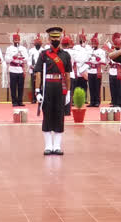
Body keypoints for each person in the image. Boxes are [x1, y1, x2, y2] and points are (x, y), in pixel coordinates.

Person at [34, 27, 72, 155]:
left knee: (59, 115)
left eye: (57, 37)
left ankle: (57, 146)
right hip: (48, 86)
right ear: (49, 39)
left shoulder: (66, 55)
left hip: (60, 87)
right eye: (53, 37)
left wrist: (69, 92)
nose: (55, 39)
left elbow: (67, 75)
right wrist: (37, 91)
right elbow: (38, 73)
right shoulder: (44, 54)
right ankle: (48, 146)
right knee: (47, 115)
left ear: (60, 38)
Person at [6, 32, 28, 106]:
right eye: (15, 40)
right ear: (13, 40)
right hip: (13, 69)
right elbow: (6, 59)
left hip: (20, 69)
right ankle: (14, 101)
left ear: (19, 40)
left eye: (18, 40)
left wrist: (22, 57)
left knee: (21, 86)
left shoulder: (23, 48)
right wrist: (13, 57)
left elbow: (26, 59)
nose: (16, 41)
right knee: (13, 86)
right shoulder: (9, 49)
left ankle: (20, 101)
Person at [87, 34, 106, 106]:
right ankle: (92, 101)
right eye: (92, 43)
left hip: (97, 70)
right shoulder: (89, 51)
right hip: (90, 70)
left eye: (94, 43)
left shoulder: (101, 51)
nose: (93, 45)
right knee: (91, 87)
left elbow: (103, 61)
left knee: (97, 87)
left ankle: (97, 101)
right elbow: (87, 59)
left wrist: (97, 57)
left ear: (97, 44)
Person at [106, 33, 121, 106]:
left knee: (119, 88)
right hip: (112, 71)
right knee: (112, 88)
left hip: (119, 71)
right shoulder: (111, 51)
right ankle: (114, 102)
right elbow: (108, 61)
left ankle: (119, 102)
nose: (117, 46)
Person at [28, 35, 44, 104]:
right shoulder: (31, 50)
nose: (38, 45)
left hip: (41, 69)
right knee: (33, 84)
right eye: (37, 43)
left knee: (41, 84)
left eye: (39, 44)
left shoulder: (43, 51)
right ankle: (34, 99)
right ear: (34, 44)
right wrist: (31, 65)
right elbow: (29, 60)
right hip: (33, 68)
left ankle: (41, 98)